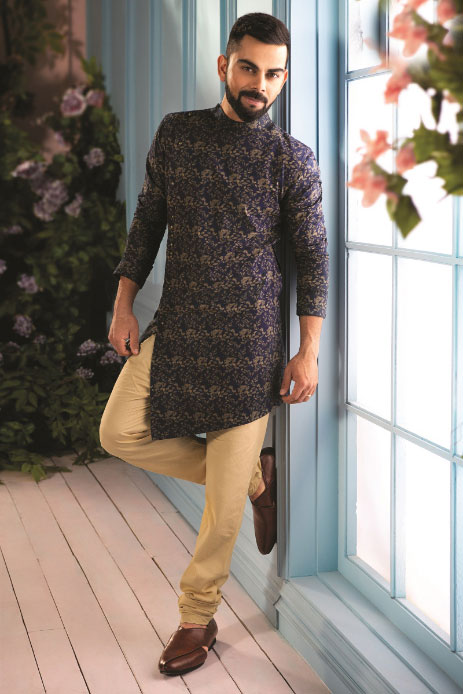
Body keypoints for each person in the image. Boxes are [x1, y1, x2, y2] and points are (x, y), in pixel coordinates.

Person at [99, 11, 329, 677]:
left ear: (283, 78)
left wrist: (307, 350)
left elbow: (313, 259)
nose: (261, 84)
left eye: (274, 74)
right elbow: (147, 224)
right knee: (118, 433)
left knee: (222, 515)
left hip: (249, 348)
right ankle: (255, 478)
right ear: (225, 66)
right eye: (250, 68)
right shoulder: (177, 134)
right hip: (176, 329)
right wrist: (122, 306)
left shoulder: (291, 159)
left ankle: (196, 617)